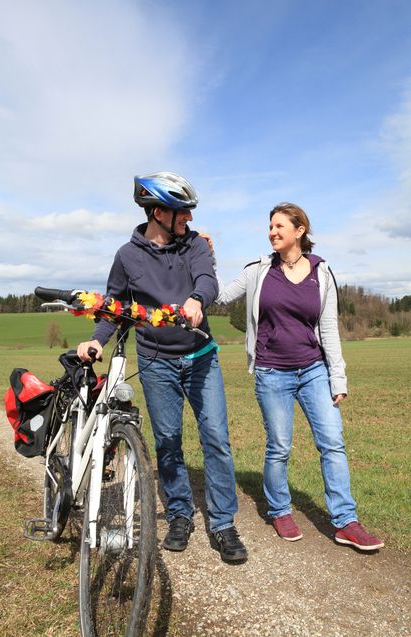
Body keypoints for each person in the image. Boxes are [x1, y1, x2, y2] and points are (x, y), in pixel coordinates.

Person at [77, 172, 247, 563]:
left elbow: (208, 280)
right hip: (156, 363)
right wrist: (95, 340)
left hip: (201, 357)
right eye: (181, 213)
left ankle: (222, 524)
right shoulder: (127, 256)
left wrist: (196, 299)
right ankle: (180, 514)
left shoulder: (195, 246)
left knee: (216, 439)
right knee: (168, 442)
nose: (187, 219)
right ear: (158, 212)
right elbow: (114, 308)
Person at [214, 202, 384, 551]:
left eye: (279, 226)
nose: (272, 232)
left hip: (313, 370)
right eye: (270, 226)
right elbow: (217, 296)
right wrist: (206, 256)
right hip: (272, 371)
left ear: (299, 231)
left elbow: (329, 329)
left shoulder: (321, 272)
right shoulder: (259, 270)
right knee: (279, 447)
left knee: (333, 443)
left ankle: (346, 522)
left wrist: (338, 378)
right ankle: (279, 509)